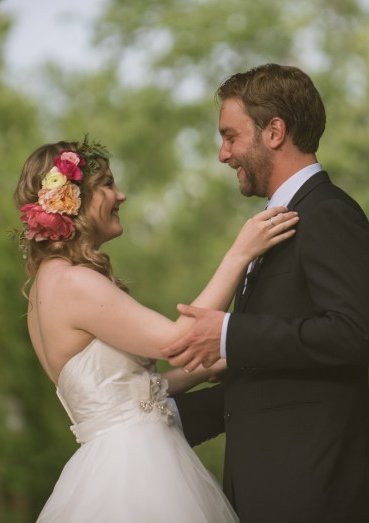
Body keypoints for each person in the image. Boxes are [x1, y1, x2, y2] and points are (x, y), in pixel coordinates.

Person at [15, 137, 298, 522]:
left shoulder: (45, 287)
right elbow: (177, 339)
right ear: (73, 200)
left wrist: (200, 371)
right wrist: (239, 254)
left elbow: (119, 396)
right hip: (134, 471)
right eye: (108, 184)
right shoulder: (73, 282)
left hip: (116, 460)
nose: (121, 194)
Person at [163, 64, 369, 523]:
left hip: (317, 496)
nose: (223, 154)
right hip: (272, 493)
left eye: (230, 136)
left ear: (275, 132)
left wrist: (229, 334)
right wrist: (157, 421)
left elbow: (351, 334)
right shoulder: (282, 222)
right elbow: (278, 380)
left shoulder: (328, 214)